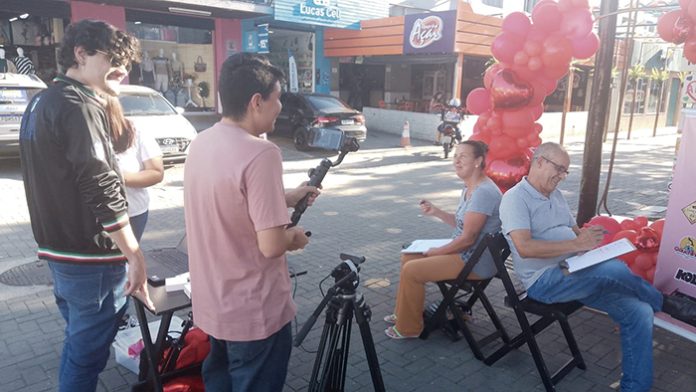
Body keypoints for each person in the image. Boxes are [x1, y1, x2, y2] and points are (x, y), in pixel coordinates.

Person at [499, 142, 696, 392]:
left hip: (576, 271)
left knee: (639, 312)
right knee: (612, 270)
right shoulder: (515, 199)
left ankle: (634, 388)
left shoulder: (555, 196)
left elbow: (575, 233)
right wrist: (576, 243)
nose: (561, 176)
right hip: (544, 281)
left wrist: (589, 243)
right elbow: (524, 247)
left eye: (565, 172)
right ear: (539, 161)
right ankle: (668, 303)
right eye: (559, 169)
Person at [19, 20, 151, 392]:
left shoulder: (42, 102)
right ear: (81, 53)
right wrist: (135, 254)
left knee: (79, 345)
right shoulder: (79, 105)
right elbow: (101, 183)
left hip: (61, 256)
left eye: (127, 63)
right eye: (114, 59)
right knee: (87, 355)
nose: (123, 70)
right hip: (90, 261)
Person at [184, 53, 319, 391]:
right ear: (257, 101)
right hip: (253, 312)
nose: (280, 108)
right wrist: (297, 237)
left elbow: (226, 200)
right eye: (277, 99)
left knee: (219, 382)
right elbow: (272, 245)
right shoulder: (261, 153)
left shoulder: (202, 142)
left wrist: (283, 198)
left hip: (213, 302)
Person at [384, 141, 502, 339]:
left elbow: (467, 239)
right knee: (409, 258)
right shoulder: (470, 188)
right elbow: (462, 225)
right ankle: (404, 314)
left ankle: (409, 328)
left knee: (413, 270)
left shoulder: (484, 193)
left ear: (478, 161)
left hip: (474, 262)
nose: (456, 160)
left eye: (463, 156)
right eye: (456, 155)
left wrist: (436, 252)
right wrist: (436, 212)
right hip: (466, 253)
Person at [104, 95, 164, 241]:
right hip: (92, 217)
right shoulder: (79, 133)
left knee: (125, 260)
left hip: (132, 213)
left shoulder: (134, 131)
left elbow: (156, 172)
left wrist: (116, 177)